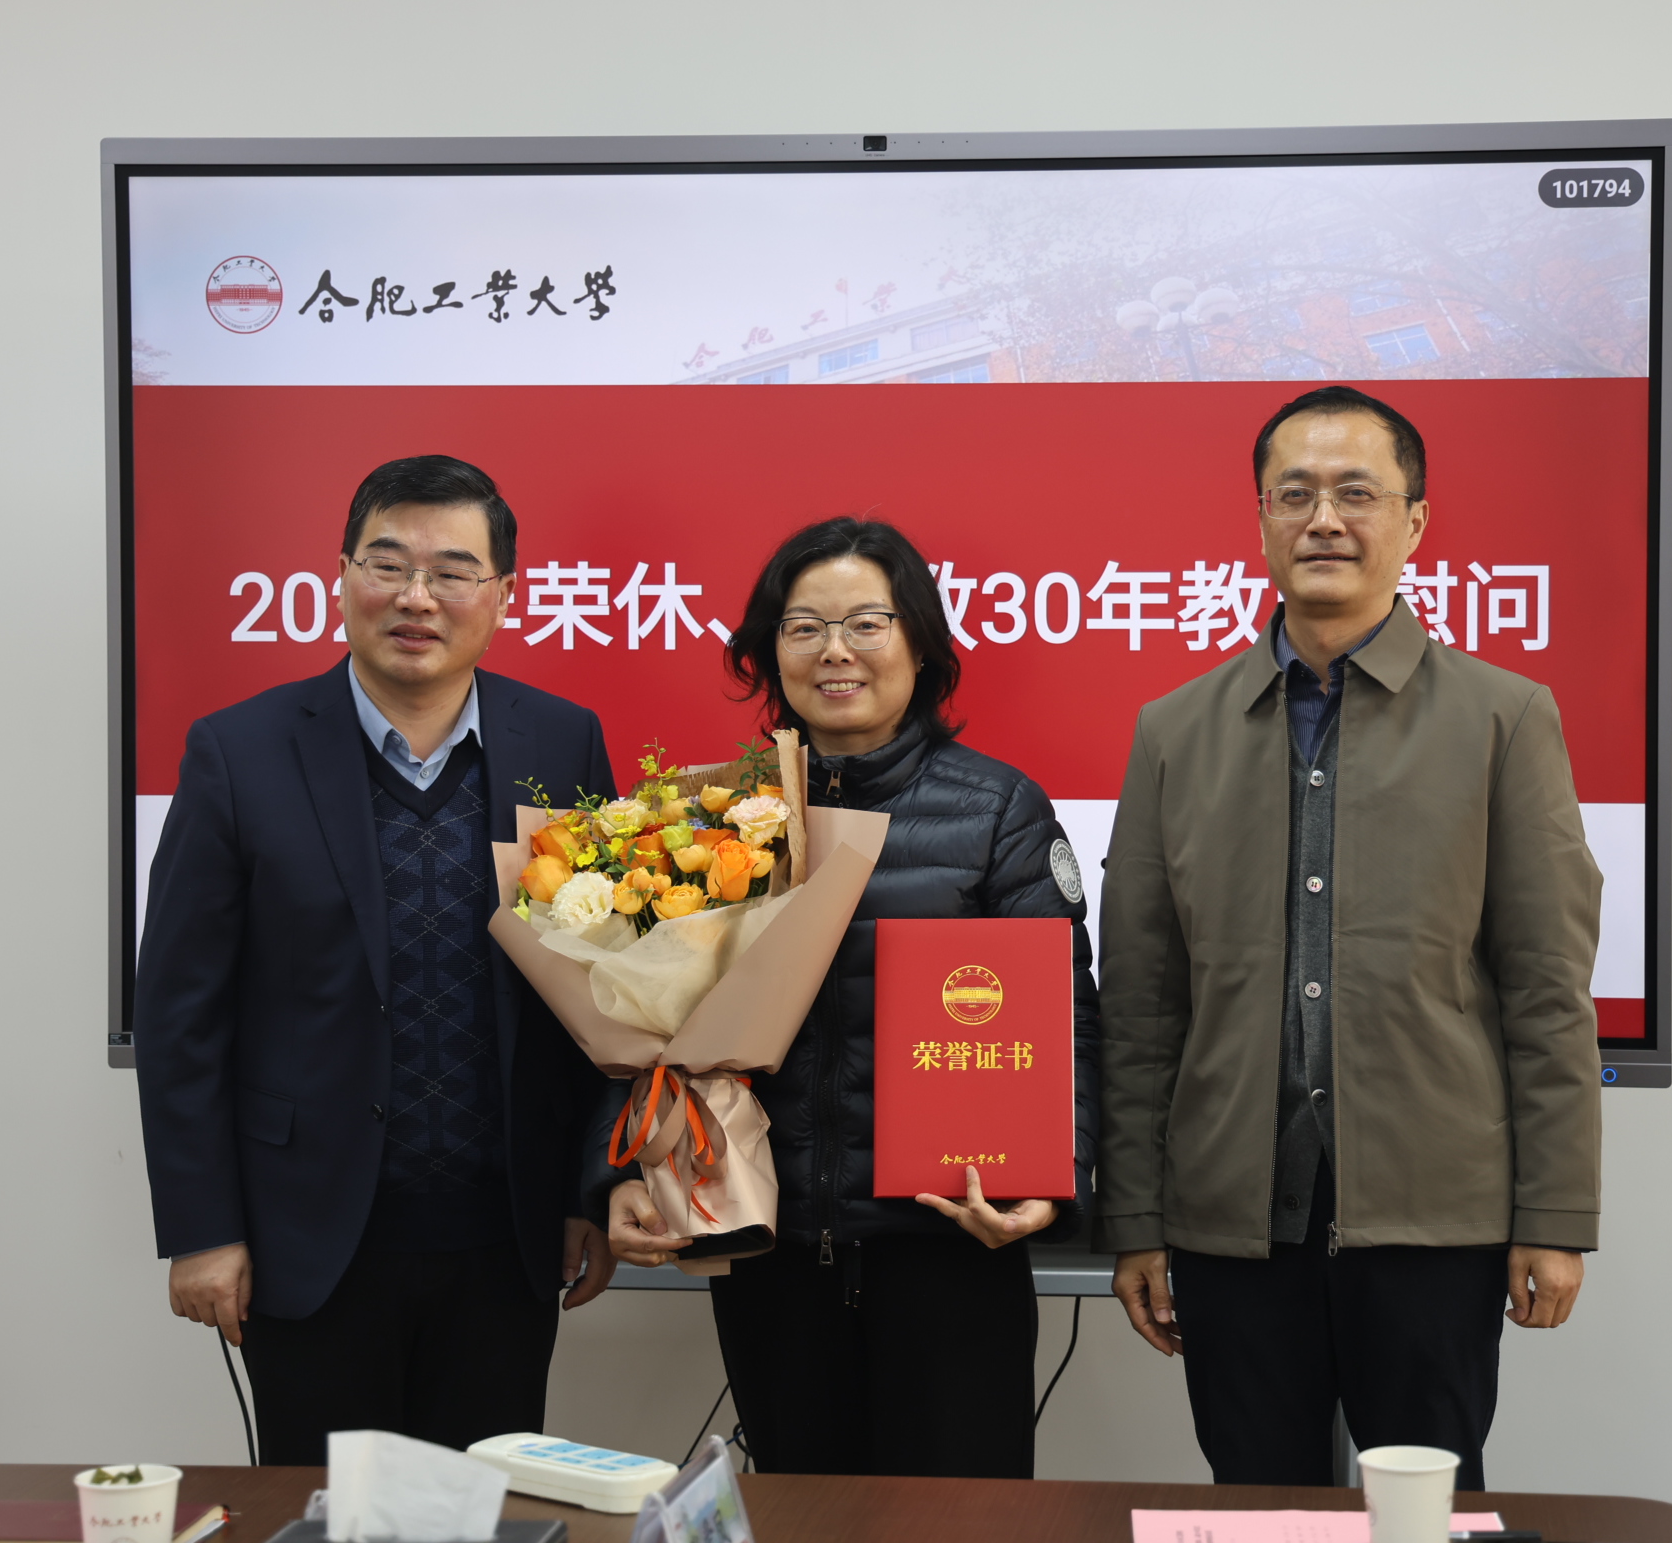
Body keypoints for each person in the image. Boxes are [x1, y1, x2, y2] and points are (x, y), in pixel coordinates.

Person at [1099, 386, 1603, 1489]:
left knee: (1424, 1507)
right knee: (1257, 1506)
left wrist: (1555, 1214)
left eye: (1356, 493)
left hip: (1435, 1218)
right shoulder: (1174, 732)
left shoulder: (1503, 718)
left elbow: (1548, 986)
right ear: (1261, 519)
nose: (1324, 518)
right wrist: (1134, 1216)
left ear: (1413, 522)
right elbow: (1140, 1003)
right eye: (1296, 494)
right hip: (1231, 1216)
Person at [136, 455, 620, 1464]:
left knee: (483, 1513)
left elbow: (598, 988)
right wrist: (202, 1228)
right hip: (306, 1239)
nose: (416, 597)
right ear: (342, 576)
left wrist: (587, 1192)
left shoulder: (563, 742)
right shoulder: (239, 751)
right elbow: (181, 1014)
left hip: (506, 1238)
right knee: (329, 1515)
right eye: (387, 564)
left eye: (453, 571)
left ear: (503, 594)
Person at [603, 517, 1098, 1479]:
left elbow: (1067, 1021)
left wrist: (1054, 1175)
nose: (835, 651)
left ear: (921, 643)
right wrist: (619, 1169)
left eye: (867, 623)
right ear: (768, 652)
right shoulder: (713, 819)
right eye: (804, 627)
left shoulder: (998, 809)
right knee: (801, 1517)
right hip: (773, 1252)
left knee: (962, 1523)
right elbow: (637, 1023)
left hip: (949, 1249)